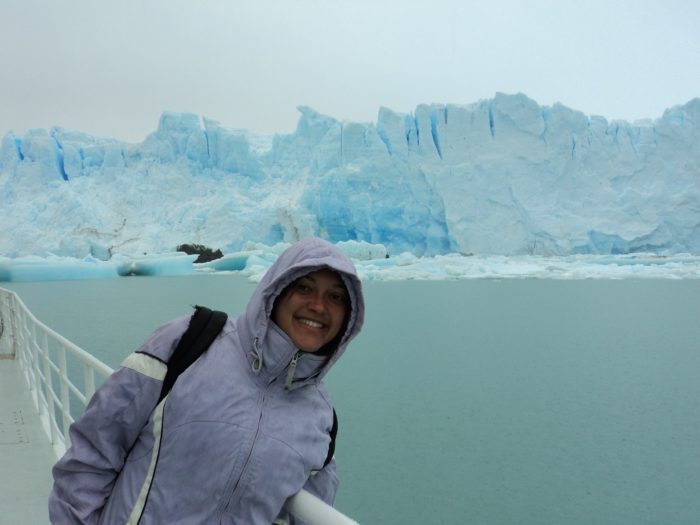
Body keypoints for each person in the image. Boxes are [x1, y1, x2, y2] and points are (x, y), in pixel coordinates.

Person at [48, 237, 365, 524]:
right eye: (304, 288)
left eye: (336, 297)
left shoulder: (320, 415)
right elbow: (95, 449)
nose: (319, 306)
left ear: (349, 317)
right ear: (277, 291)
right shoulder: (190, 341)